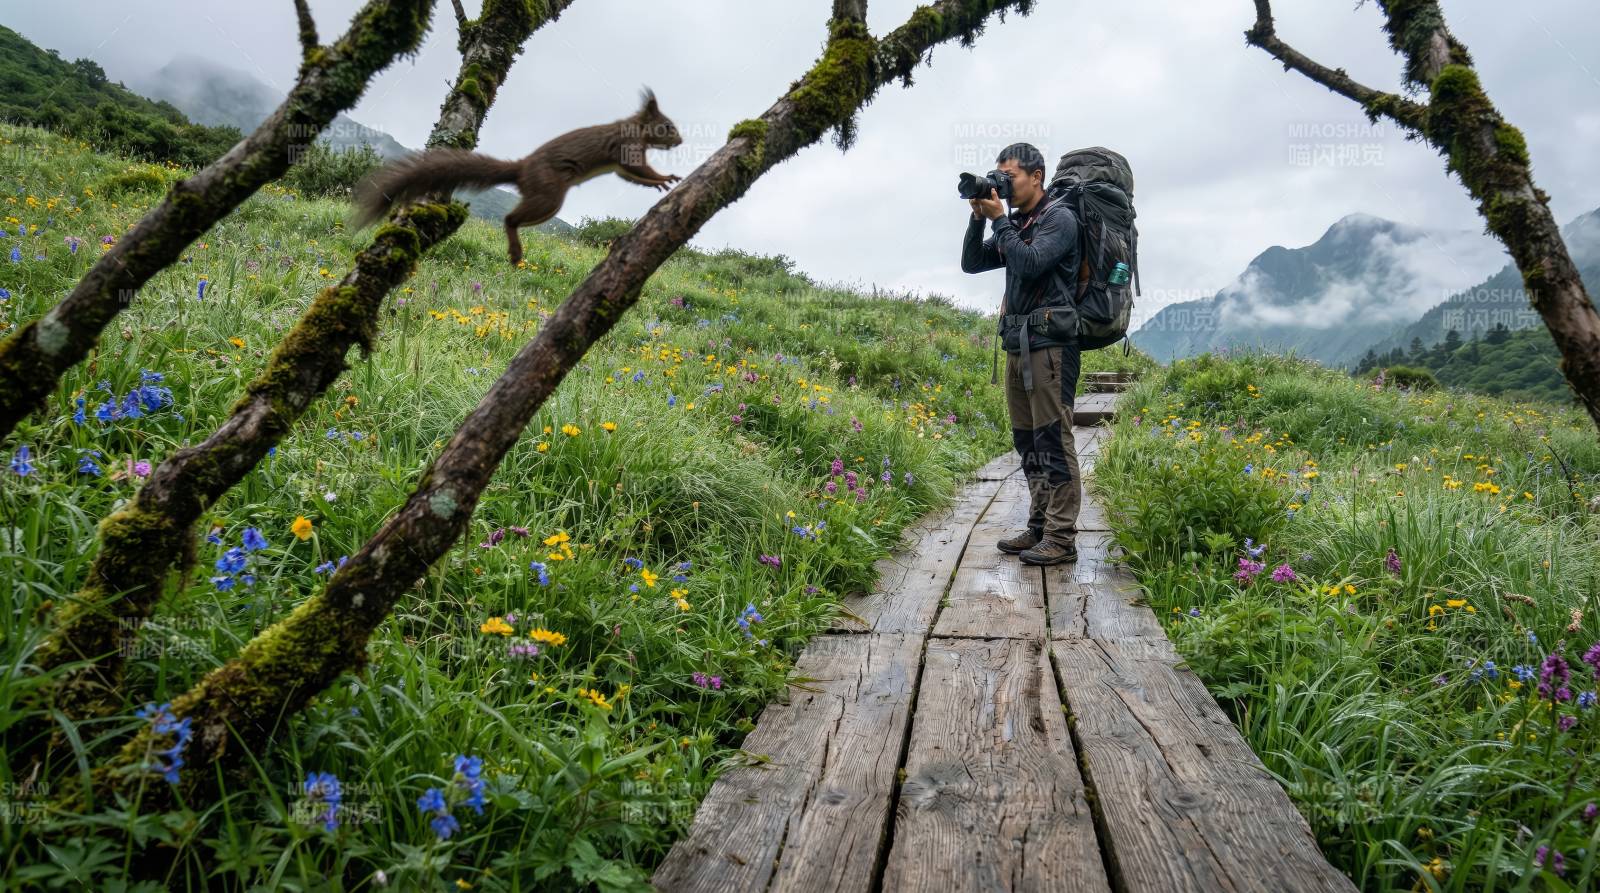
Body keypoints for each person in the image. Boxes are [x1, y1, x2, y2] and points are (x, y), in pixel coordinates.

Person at [961, 143, 1083, 565]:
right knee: (1027, 440)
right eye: (999, 176)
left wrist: (1001, 223)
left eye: (1009, 176)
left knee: (1053, 438)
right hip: (1018, 344)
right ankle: (1039, 526)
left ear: (1036, 176)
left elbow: (1030, 263)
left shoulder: (1060, 219)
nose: (1003, 184)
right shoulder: (1016, 223)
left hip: (1051, 346)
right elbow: (972, 264)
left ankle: (1062, 537)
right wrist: (980, 220)